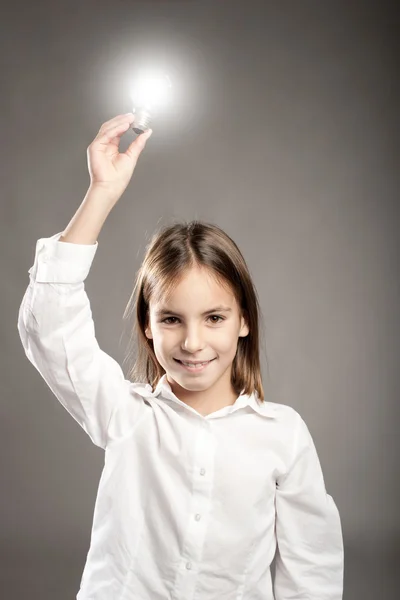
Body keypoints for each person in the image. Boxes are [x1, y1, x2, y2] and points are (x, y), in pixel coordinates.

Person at [17, 113, 344, 599]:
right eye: (172, 319)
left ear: (244, 321)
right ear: (148, 327)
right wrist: (101, 193)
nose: (192, 343)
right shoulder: (125, 415)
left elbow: (311, 571)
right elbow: (49, 323)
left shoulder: (284, 436)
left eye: (214, 318)